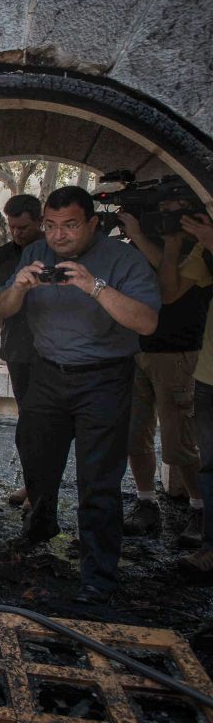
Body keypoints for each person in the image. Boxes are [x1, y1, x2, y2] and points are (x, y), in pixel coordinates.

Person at [0, 186, 160, 605]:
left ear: (92, 223)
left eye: (69, 226)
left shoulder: (122, 259)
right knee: (34, 450)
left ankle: (98, 572)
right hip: (48, 373)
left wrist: (94, 286)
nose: (58, 235)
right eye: (51, 226)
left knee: (98, 477)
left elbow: (146, 323)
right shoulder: (36, 253)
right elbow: (4, 309)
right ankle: (42, 519)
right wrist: (20, 287)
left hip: (104, 378)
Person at [117, 202, 209, 545]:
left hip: (177, 351)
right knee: (133, 433)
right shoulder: (136, 247)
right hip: (136, 348)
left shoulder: (198, 247)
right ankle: (146, 503)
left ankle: (200, 509)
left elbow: (167, 291)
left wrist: (154, 240)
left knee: (179, 440)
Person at [158, 208, 213, 576]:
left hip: (190, 358)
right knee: (209, 465)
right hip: (210, 374)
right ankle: (210, 546)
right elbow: (171, 291)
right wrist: (172, 244)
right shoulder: (205, 249)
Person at [0, 195, 44, 509]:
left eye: (23, 227)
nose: (17, 233)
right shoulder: (1, 256)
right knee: (28, 421)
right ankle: (31, 484)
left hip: (53, 352)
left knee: (47, 423)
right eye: (12, 227)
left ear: (38, 220)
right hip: (20, 349)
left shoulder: (53, 252)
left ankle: (41, 488)